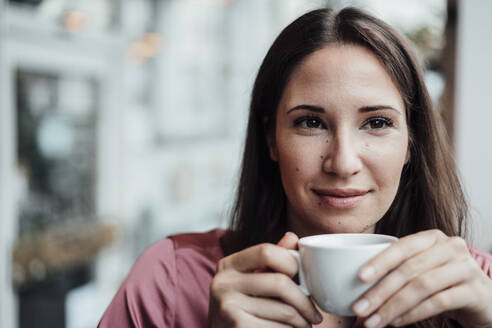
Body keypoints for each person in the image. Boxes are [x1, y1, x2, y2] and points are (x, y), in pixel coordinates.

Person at [98, 7, 492, 328]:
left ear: (411, 142)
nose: (342, 162)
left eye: (376, 123)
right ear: (271, 139)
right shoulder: (170, 281)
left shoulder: (473, 281)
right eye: (310, 122)